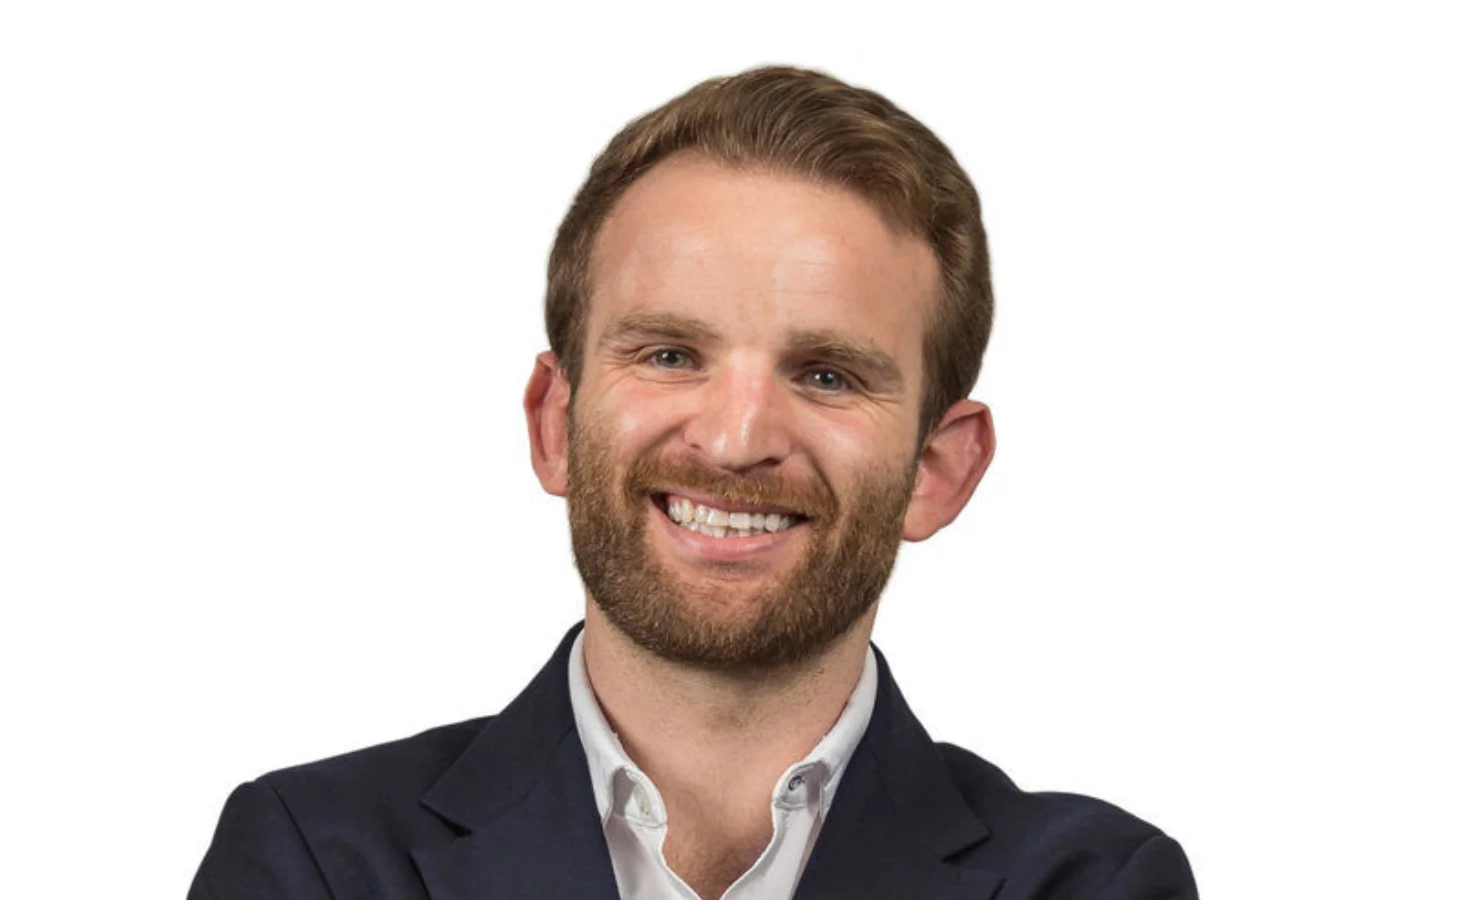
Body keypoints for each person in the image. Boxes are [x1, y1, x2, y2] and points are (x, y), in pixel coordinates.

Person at [189, 65, 1198, 900]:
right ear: (554, 424)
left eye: (827, 375)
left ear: (938, 470)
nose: (735, 438)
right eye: (670, 355)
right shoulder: (315, 861)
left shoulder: (1092, 883)